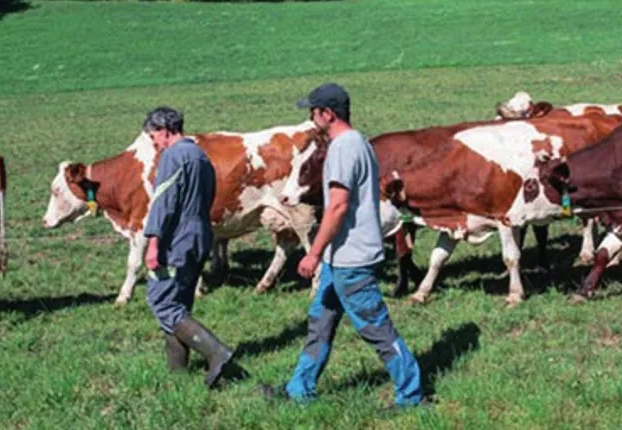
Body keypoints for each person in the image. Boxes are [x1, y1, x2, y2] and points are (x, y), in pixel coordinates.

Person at [262, 82, 424, 407]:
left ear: (328, 113)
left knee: (377, 329)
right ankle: (299, 391)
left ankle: (412, 396)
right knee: (319, 325)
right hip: (340, 258)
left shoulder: (342, 148)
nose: (310, 116)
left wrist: (313, 253)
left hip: (351, 260)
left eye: (314, 111)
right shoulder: (359, 141)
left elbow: (337, 205)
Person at [142, 106, 245, 388]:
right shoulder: (201, 155)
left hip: (176, 238)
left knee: (162, 302)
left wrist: (153, 242)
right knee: (180, 302)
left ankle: (217, 354)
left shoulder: (173, 156)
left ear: (164, 131)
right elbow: (210, 194)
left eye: (153, 137)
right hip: (201, 233)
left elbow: (164, 202)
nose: (154, 143)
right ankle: (177, 373)